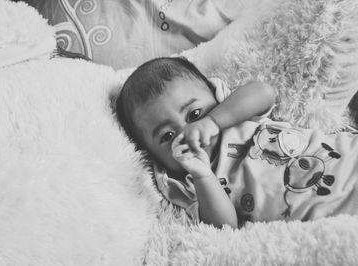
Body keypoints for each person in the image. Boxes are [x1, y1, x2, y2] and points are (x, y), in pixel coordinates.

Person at [116, 57, 358, 228]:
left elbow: (265, 93)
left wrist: (212, 121)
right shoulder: (187, 183)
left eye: (194, 114)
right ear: (153, 158)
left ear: (215, 94)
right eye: (167, 136)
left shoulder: (231, 116)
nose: (187, 132)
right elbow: (223, 226)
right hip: (335, 216)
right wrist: (202, 175)